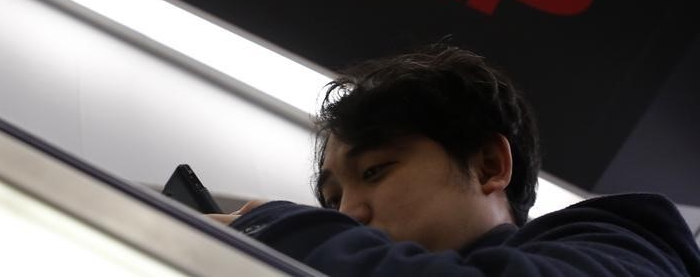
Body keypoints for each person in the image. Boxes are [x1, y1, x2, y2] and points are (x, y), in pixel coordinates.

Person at [211, 44, 700, 276]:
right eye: (332, 199)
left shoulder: (627, 242)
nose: (349, 214)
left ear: (489, 165)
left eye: (376, 172)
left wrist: (275, 229)